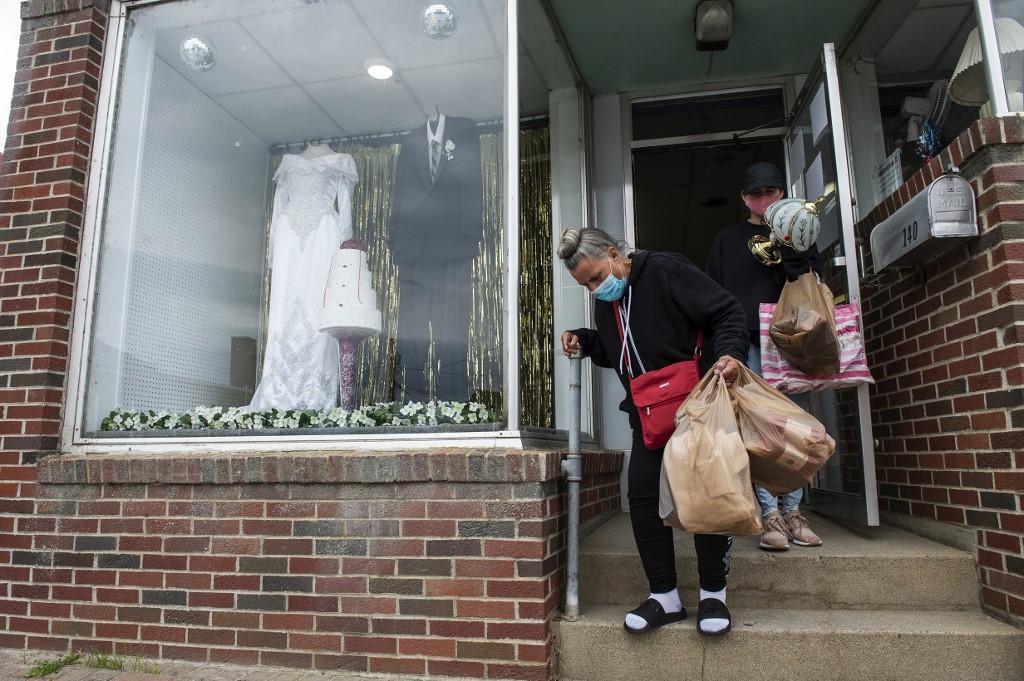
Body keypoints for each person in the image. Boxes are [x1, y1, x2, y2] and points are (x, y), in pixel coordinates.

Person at [559, 227, 748, 637]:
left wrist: (731, 353)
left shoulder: (665, 270)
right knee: (643, 497)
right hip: (649, 414)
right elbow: (619, 352)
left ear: (614, 254)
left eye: (595, 277)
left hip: (697, 405)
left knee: (706, 492)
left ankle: (714, 593)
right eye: (585, 285)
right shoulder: (607, 303)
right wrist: (586, 341)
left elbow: (727, 312)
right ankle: (665, 596)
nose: (595, 288)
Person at [705, 161, 824, 551]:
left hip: (792, 342)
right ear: (744, 199)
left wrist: (791, 247)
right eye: (755, 194)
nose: (763, 200)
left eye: (770, 192)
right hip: (749, 344)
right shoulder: (726, 238)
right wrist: (724, 349)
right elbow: (715, 298)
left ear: (781, 193)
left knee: (798, 428)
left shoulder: (800, 231)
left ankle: (793, 511)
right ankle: (769, 512)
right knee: (758, 430)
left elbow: (814, 283)